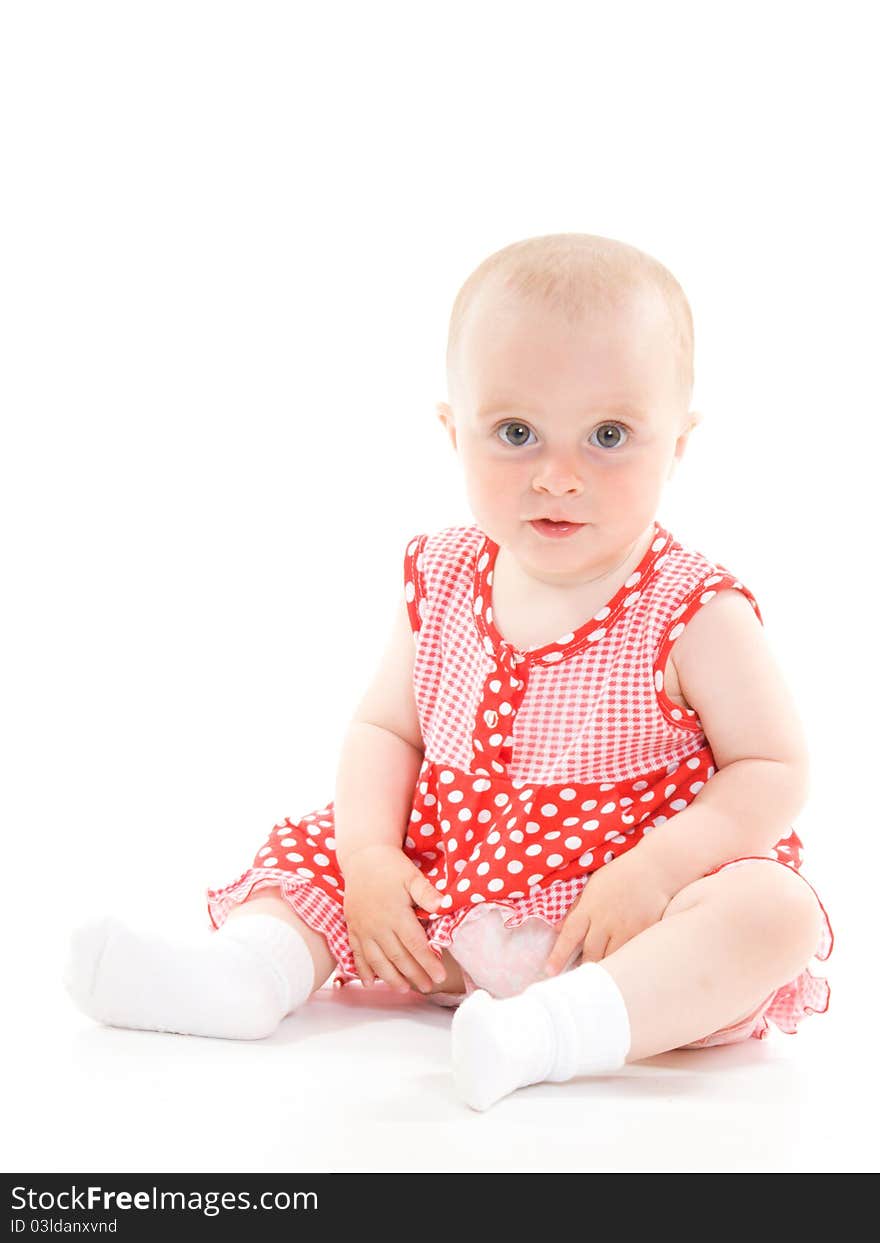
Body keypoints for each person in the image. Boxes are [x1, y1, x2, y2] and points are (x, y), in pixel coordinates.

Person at [64, 232, 833, 1112]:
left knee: (775, 911)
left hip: (613, 916)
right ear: (451, 429)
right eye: (516, 433)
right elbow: (385, 729)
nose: (557, 476)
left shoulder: (695, 608)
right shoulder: (443, 573)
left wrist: (657, 872)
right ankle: (244, 976)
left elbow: (774, 768)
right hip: (436, 898)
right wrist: (371, 859)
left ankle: (553, 1030)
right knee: (310, 857)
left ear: (679, 444)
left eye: (609, 436)